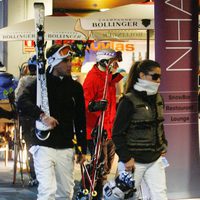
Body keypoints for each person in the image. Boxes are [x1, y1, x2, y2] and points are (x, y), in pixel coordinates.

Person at [17, 44, 87, 199]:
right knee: (47, 191)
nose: (70, 64)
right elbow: (21, 101)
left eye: (70, 60)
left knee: (65, 193)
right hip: (43, 145)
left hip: (66, 146)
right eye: (65, 61)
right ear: (54, 62)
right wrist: (42, 116)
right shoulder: (40, 84)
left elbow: (80, 118)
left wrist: (82, 147)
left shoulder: (75, 87)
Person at [112, 60, 168, 200]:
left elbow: (159, 125)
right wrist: (126, 158)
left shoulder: (158, 99)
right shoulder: (128, 101)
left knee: (160, 195)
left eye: (160, 76)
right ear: (142, 75)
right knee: (129, 197)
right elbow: (117, 134)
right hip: (133, 162)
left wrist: (163, 145)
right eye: (155, 76)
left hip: (155, 159)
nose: (158, 80)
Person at [82, 48, 123, 198]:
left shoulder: (108, 78)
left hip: (110, 128)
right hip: (96, 129)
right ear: (105, 62)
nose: (116, 66)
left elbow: (112, 102)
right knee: (98, 164)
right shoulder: (93, 78)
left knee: (107, 165)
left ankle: (99, 191)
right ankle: (90, 191)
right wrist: (94, 106)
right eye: (114, 63)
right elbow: (84, 102)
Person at [15, 55, 38, 186]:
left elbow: (18, 97)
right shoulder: (45, 80)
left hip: (27, 118)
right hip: (42, 118)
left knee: (31, 147)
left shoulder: (24, 80)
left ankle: (34, 176)